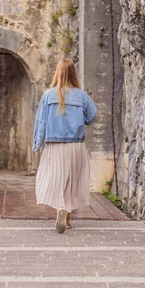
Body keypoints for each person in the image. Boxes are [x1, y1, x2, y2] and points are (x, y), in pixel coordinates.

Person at [33, 58, 97, 234]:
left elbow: (41, 122)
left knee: (53, 178)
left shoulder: (48, 95)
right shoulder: (81, 95)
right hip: (75, 145)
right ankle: (67, 217)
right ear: (73, 74)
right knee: (71, 181)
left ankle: (60, 208)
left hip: (54, 144)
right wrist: (78, 117)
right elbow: (92, 117)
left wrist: (37, 144)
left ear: (58, 73)